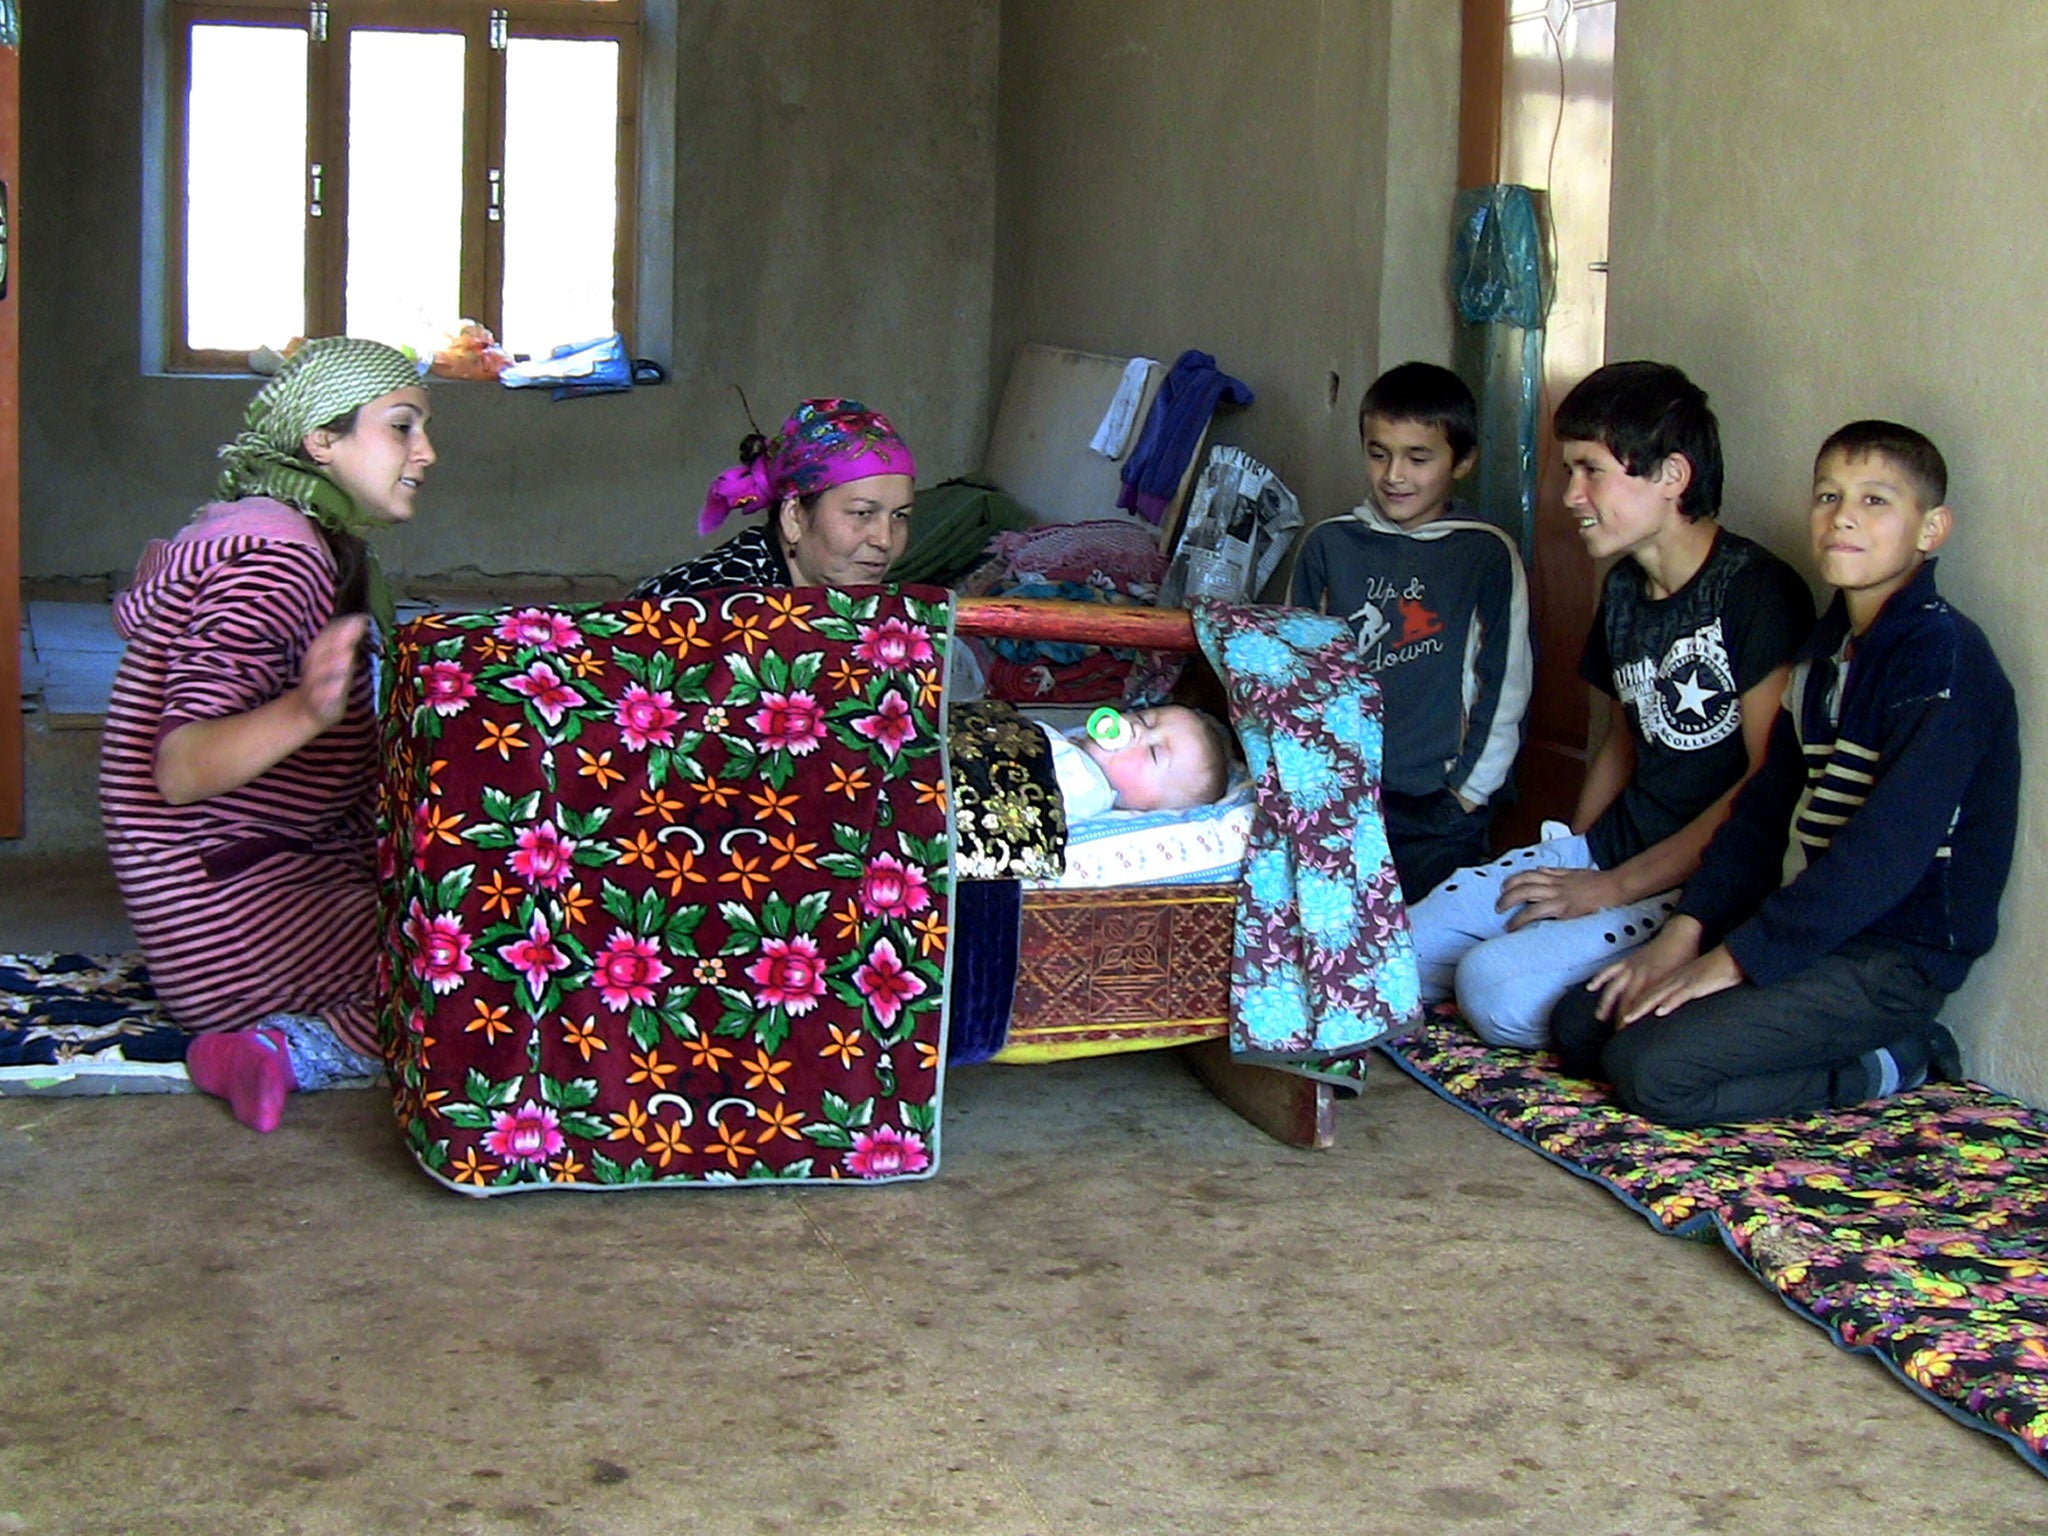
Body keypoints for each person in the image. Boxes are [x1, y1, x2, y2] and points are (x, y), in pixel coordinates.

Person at [1550, 422, 2018, 1126]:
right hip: (1807, 923)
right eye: (1828, 496)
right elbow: (1764, 812)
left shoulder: (1942, 659)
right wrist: (1685, 933)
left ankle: (1898, 1056)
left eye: (1876, 501)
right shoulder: (1823, 654)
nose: (1845, 516)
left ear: (1932, 529)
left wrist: (1733, 961)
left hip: (1891, 955)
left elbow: (1881, 861)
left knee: (1653, 1072)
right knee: (1582, 1025)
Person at [1406, 361, 1814, 1048]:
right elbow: (1624, 738)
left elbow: (1766, 783)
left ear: (1672, 477)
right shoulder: (1625, 587)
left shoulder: (1756, 592)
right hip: (1611, 852)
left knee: (1493, 987)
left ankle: (1618, 983)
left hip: (1694, 885)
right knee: (1402, 946)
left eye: (1591, 470)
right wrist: (1572, 859)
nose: (1570, 494)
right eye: (1569, 470)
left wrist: (1614, 889)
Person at [99, 337, 435, 1133]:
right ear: (322, 439)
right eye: (401, 426)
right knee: (513, 969)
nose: (426, 451)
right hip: (235, 923)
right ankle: (281, 1047)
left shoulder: (284, 534)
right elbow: (180, 769)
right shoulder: (273, 559)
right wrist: (305, 712)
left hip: (240, 898)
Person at [1291, 361, 1532, 899]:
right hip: (1342, 794)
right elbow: (1296, 674)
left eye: (1418, 458)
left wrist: (1468, 792)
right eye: (1379, 454)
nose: (1394, 475)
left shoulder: (1486, 553)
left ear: (1463, 460)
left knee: (1422, 951)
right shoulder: (1329, 545)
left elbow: (1505, 681)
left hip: (1439, 805)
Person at [632, 397, 916, 598]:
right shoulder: (728, 605)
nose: (885, 540)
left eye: (900, 515)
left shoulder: (839, 599)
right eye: (862, 513)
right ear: (794, 517)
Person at [1036, 704, 1234, 820]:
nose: (1137, 728)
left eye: (1154, 753)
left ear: (1146, 811)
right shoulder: (1074, 746)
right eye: (1144, 718)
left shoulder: (1082, 788)